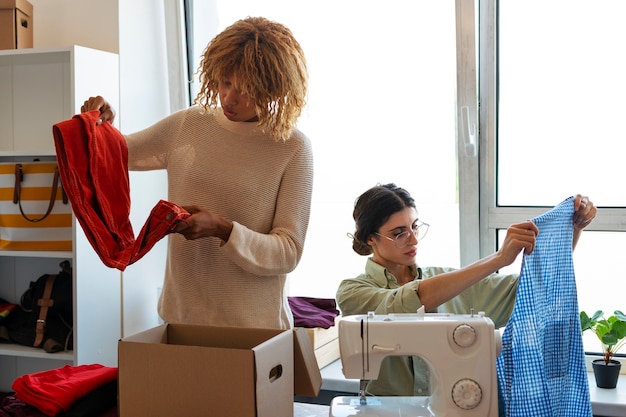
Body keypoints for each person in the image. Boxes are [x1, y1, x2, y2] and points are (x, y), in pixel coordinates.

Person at [81, 17, 312, 330]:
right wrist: (98, 123)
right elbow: (114, 154)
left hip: (254, 329)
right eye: (225, 82)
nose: (229, 97)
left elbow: (287, 252)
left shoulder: (292, 148)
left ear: (272, 90)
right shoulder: (189, 125)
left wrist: (223, 229)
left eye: (245, 90)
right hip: (181, 319)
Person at [336, 183, 596, 396]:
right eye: (399, 233)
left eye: (415, 227)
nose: (414, 240)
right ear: (371, 238)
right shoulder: (352, 291)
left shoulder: (448, 282)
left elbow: (528, 289)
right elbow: (404, 303)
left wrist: (570, 230)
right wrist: (497, 259)